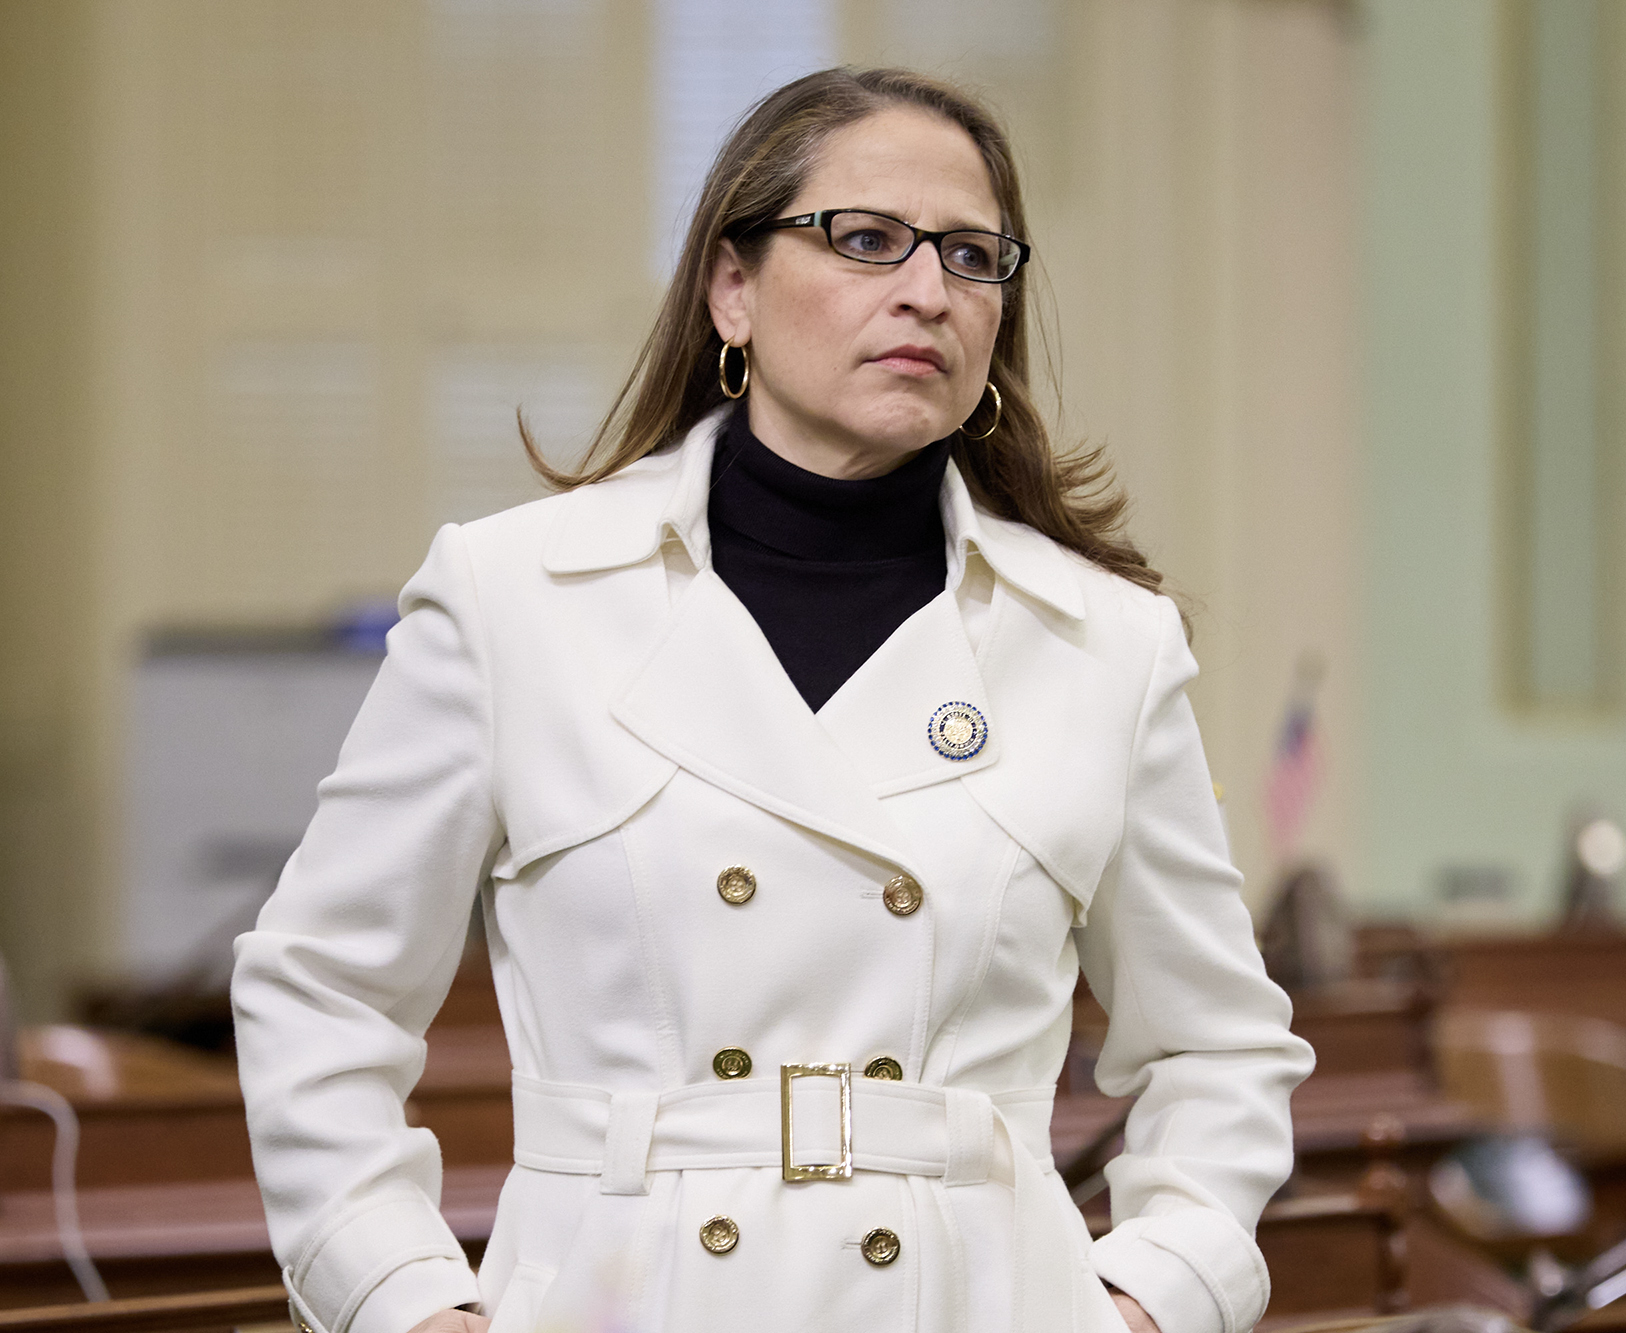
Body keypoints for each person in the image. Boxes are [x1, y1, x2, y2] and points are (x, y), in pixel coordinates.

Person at [231, 67, 1313, 1333]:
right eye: (864, 240)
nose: (927, 290)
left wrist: (1147, 1301)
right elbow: (321, 994)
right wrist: (406, 1307)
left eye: (972, 257)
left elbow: (1218, 1049)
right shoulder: (514, 597)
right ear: (729, 288)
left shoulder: (1102, 646)